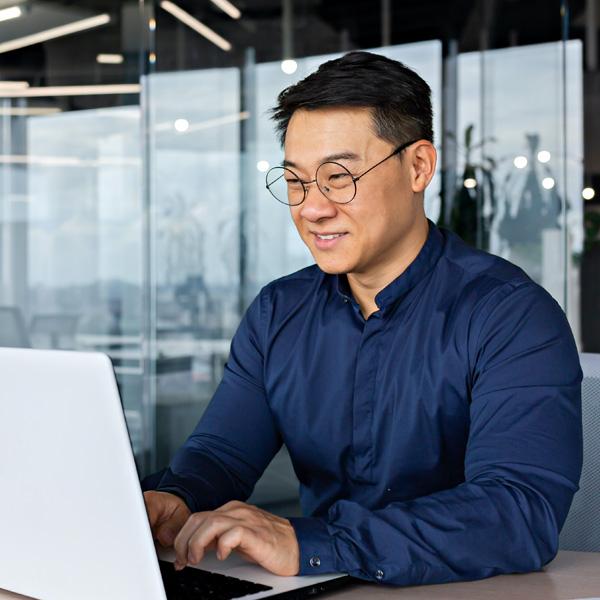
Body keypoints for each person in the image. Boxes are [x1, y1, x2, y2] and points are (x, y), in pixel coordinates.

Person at [143, 51, 582, 586]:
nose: (311, 208)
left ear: (418, 166)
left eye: (338, 177)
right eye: (296, 181)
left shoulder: (510, 314)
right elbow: (222, 452)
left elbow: (518, 513)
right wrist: (175, 496)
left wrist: (312, 542)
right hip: (317, 584)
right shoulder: (279, 312)